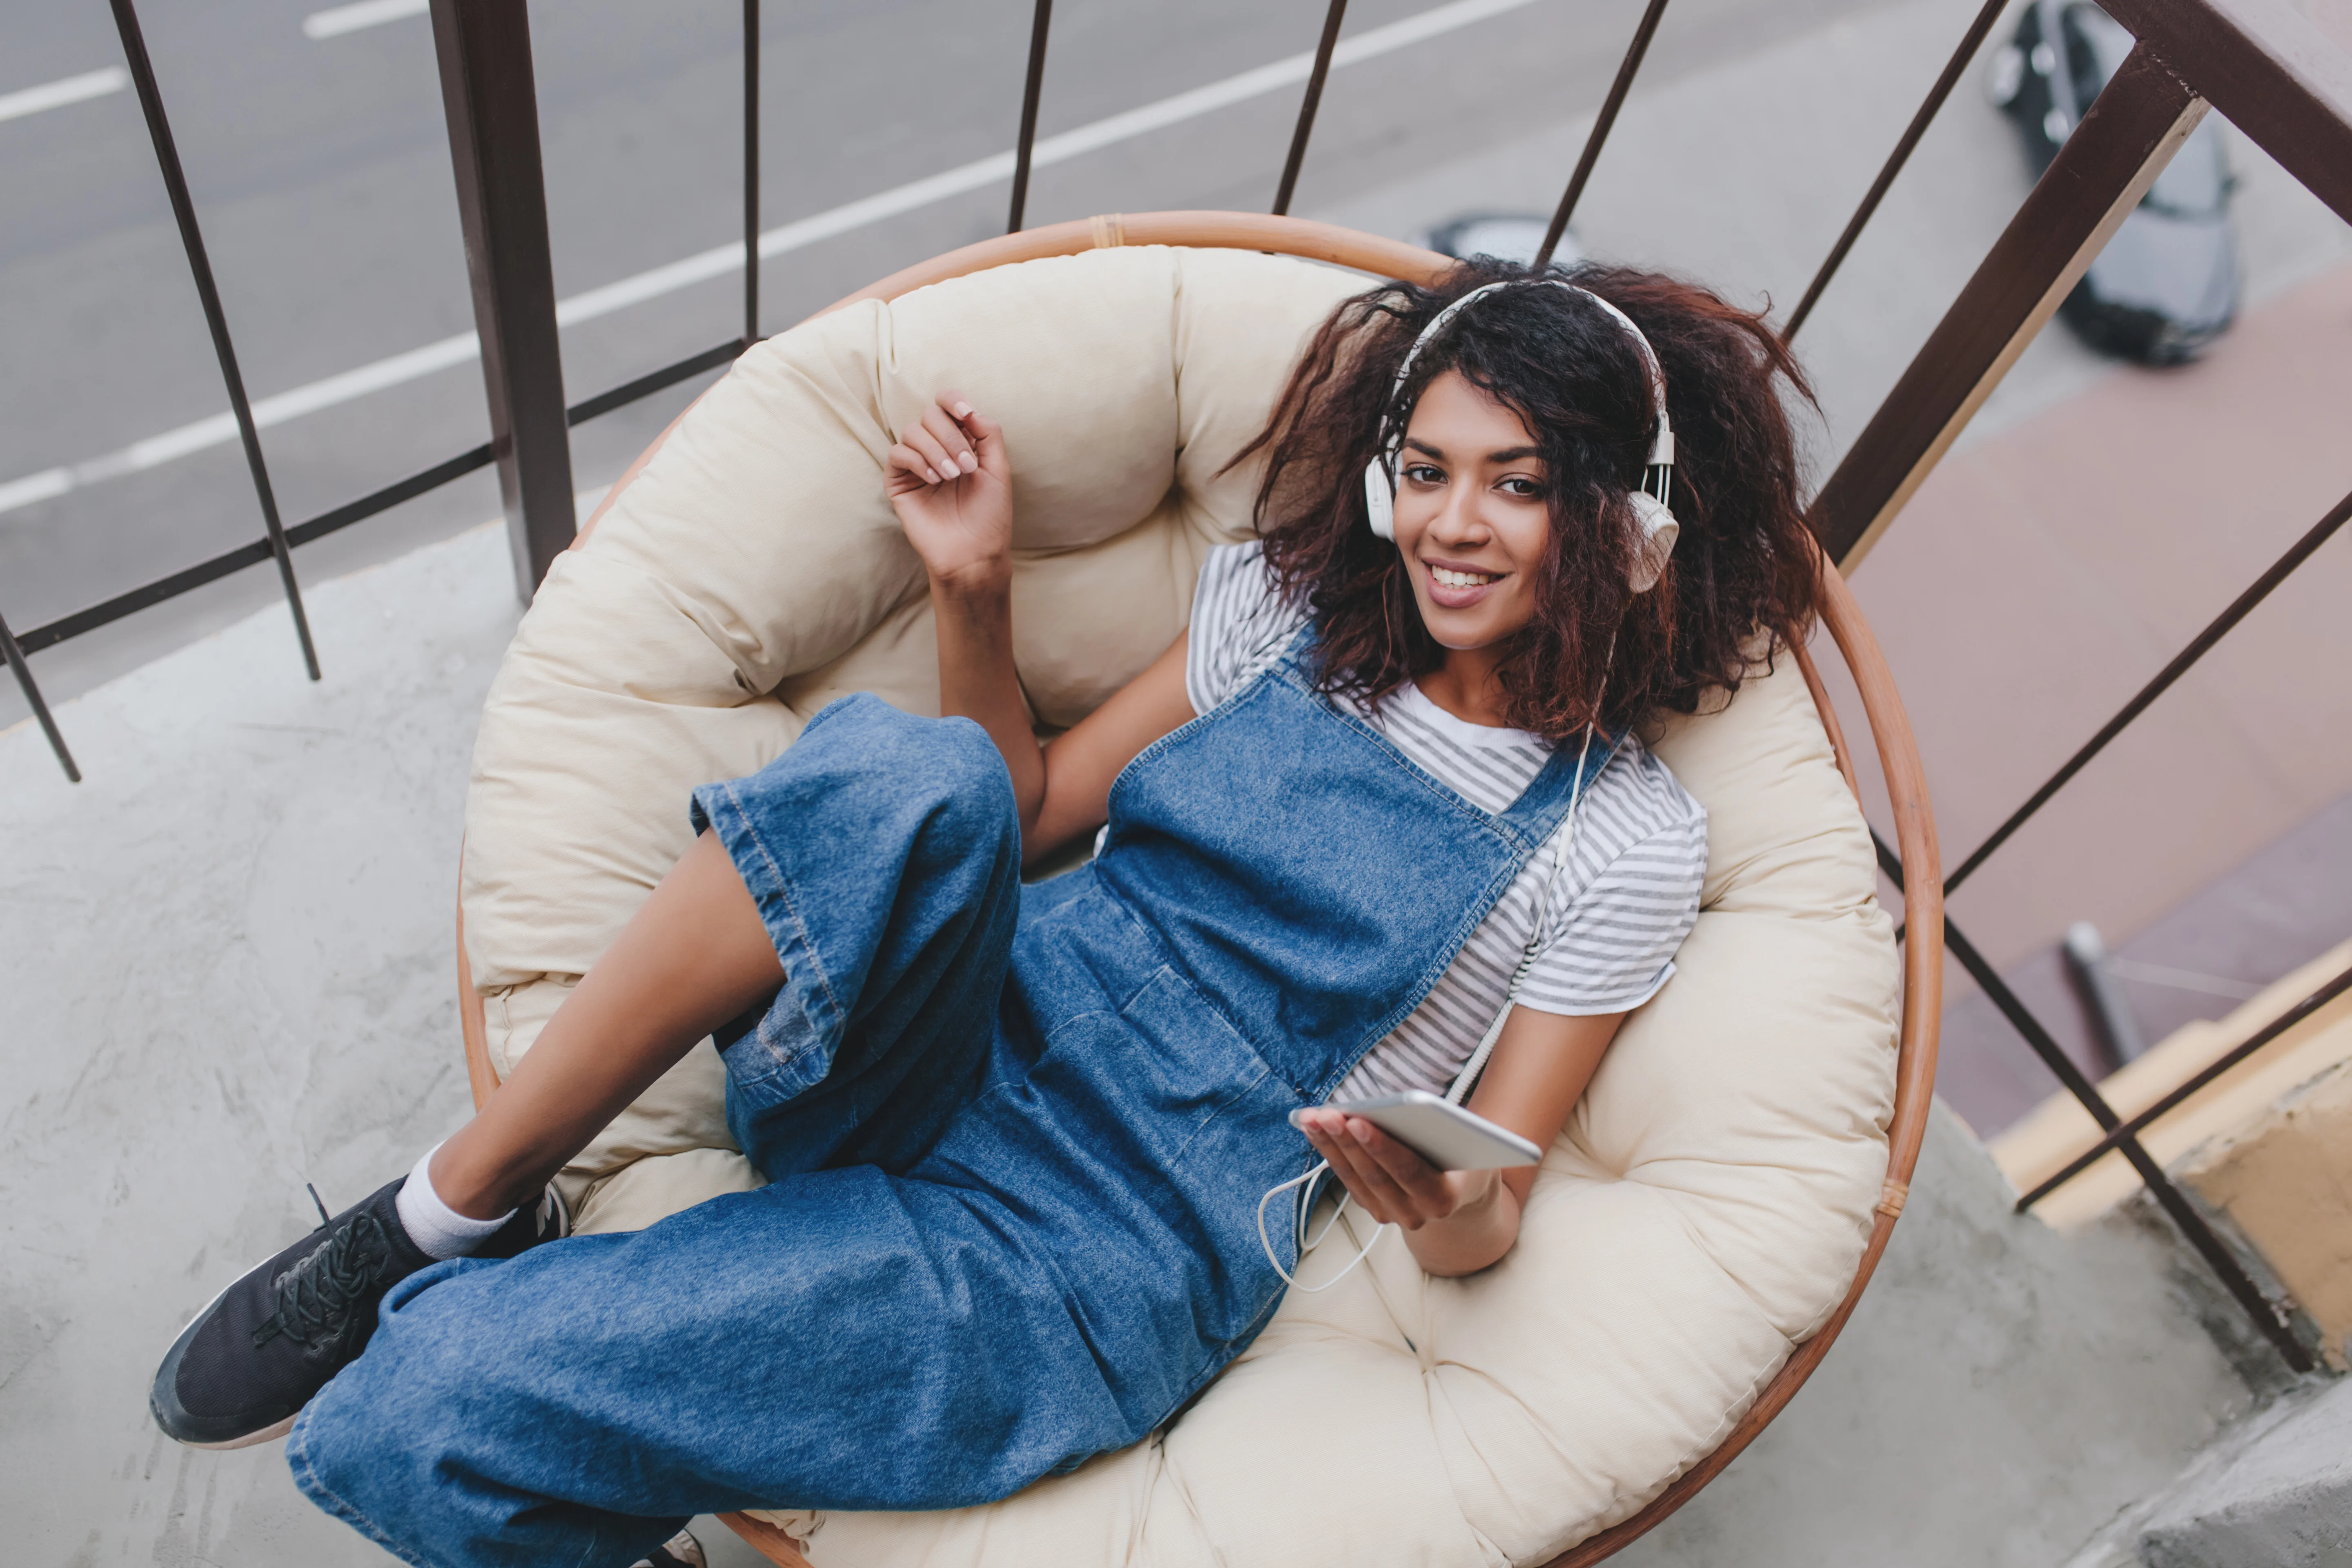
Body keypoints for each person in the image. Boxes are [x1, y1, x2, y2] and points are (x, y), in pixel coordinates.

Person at [149, 258, 1820, 1568]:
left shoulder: (1619, 840)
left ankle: (553, 1473)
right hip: (943, 1048)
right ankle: (456, 1203)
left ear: (1630, 525)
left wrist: (1421, 1197)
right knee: (909, 774)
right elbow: (1011, 815)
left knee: (420, 1413)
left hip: (1083, 1258)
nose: (1453, 525)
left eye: (1516, 484)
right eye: (1428, 470)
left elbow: (1494, 1207)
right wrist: (974, 584)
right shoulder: (1292, 612)